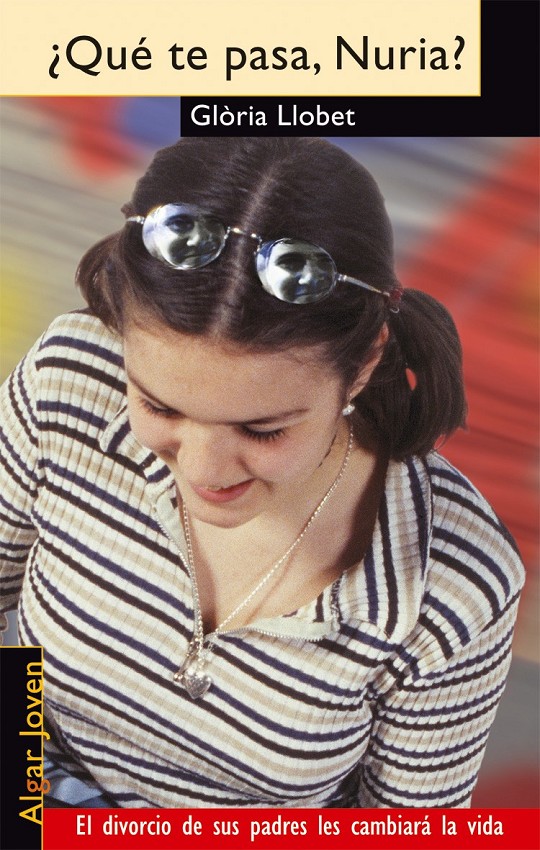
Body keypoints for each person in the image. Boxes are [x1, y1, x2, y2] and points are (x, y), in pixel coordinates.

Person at [0, 137, 525, 809]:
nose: (203, 469)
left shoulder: (456, 579)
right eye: (159, 406)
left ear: (363, 365)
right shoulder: (68, 379)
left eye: (262, 429)